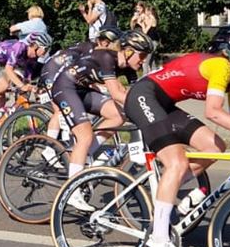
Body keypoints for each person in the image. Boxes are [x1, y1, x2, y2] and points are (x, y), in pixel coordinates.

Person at [121, 34, 230, 247]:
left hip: (165, 104)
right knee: (177, 162)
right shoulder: (221, 67)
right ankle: (159, 237)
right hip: (143, 95)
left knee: (215, 146)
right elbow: (213, 112)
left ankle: (168, 188)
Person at [46, 29, 154, 210]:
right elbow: (117, 94)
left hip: (82, 90)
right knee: (85, 136)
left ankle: (87, 153)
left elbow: (133, 93)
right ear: (128, 51)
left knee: (119, 115)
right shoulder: (106, 57)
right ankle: (71, 192)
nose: (143, 60)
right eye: (142, 55)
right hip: (65, 87)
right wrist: (145, 106)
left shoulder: (129, 68)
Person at [0, 32, 54, 127]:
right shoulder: (19, 47)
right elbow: (8, 70)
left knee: (1, 98)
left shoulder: (32, 59)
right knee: (4, 85)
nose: (46, 53)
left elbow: (27, 79)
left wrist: (33, 88)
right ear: (35, 46)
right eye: (45, 49)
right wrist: (21, 86)